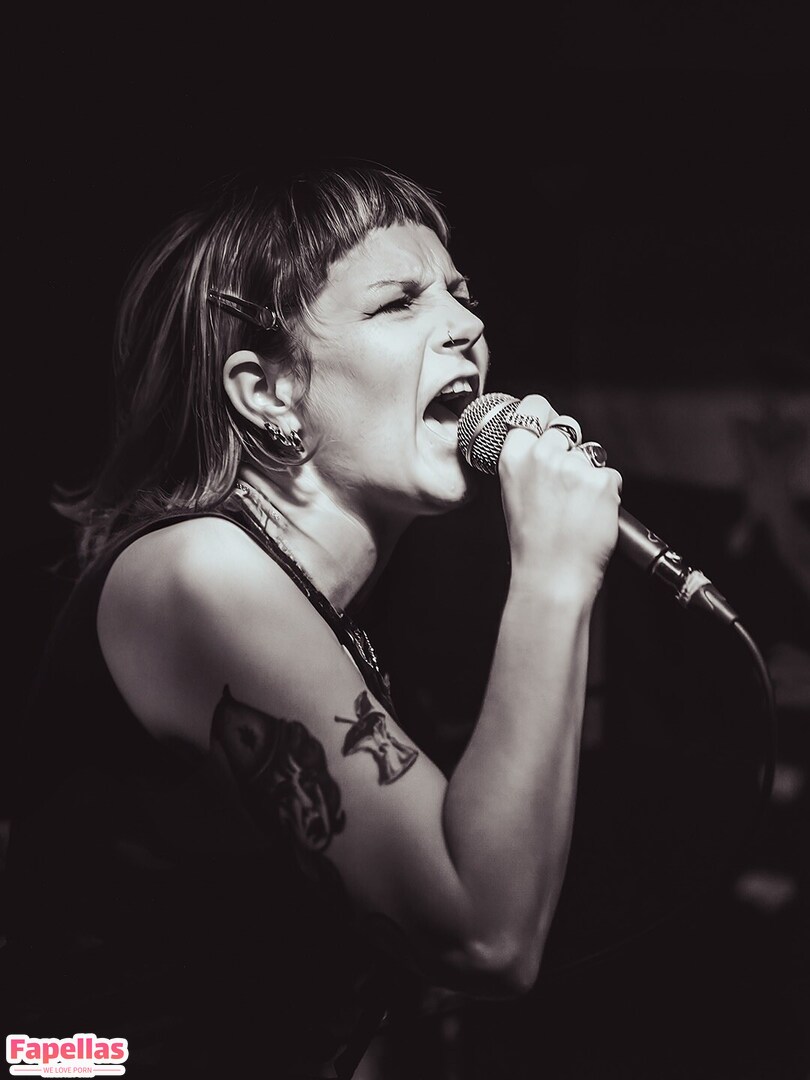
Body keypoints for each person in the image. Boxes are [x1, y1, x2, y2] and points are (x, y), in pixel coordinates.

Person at [4, 160, 622, 1079]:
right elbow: (483, 935)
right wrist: (553, 575)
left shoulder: (331, 624)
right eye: (400, 302)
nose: (467, 324)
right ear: (268, 392)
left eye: (461, 295)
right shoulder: (198, 575)